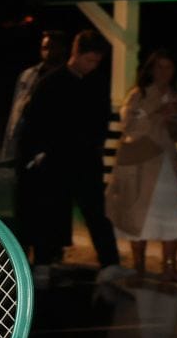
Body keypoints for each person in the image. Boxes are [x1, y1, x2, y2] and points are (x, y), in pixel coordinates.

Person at [17, 30, 123, 279]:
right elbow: (34, 121)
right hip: (56, 159)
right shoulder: (51, 82)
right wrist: (38, 154)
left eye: (97, 61)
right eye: (89, 60)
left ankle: (110, 263)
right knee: (50, 209)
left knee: (95, 211)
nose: (92, 66)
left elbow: (102, 118)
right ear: (76, 54)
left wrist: (95, 144)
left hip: (86, 158)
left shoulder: (97, 81)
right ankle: (43, 260)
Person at [106, 49, 177, 277]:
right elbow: (129, 126)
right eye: (159, 66)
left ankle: (170, 266)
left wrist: (172, 121)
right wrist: (157, 113)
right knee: (139, 215)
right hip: (141, 164)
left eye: (169, 67)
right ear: (151, 69)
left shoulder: (176, 96)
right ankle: (139, 265)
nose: (164, 72)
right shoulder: (138, 94)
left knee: (171, 213)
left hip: (166, 165)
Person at [0, 29, 68, 164]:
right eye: (44, 47)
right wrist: (9, 146)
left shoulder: (67, 77)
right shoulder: (29, 75)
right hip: (27, 139)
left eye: (52, 47)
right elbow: (16, 109)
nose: (47, 51)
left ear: (62, 49)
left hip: (53, 142)